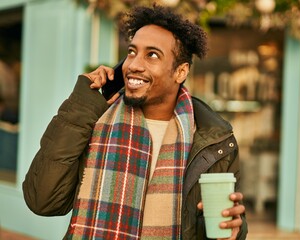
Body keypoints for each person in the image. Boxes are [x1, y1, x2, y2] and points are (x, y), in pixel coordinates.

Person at [23, 4, 248, 240]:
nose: (134, 65)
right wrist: (81, 105)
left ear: (180, 72)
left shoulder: (215, 142)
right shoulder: (93, 119)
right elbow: (42, 201)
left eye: (152, 55)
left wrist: (235, 229)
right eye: (131, 52)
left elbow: (221, 223)